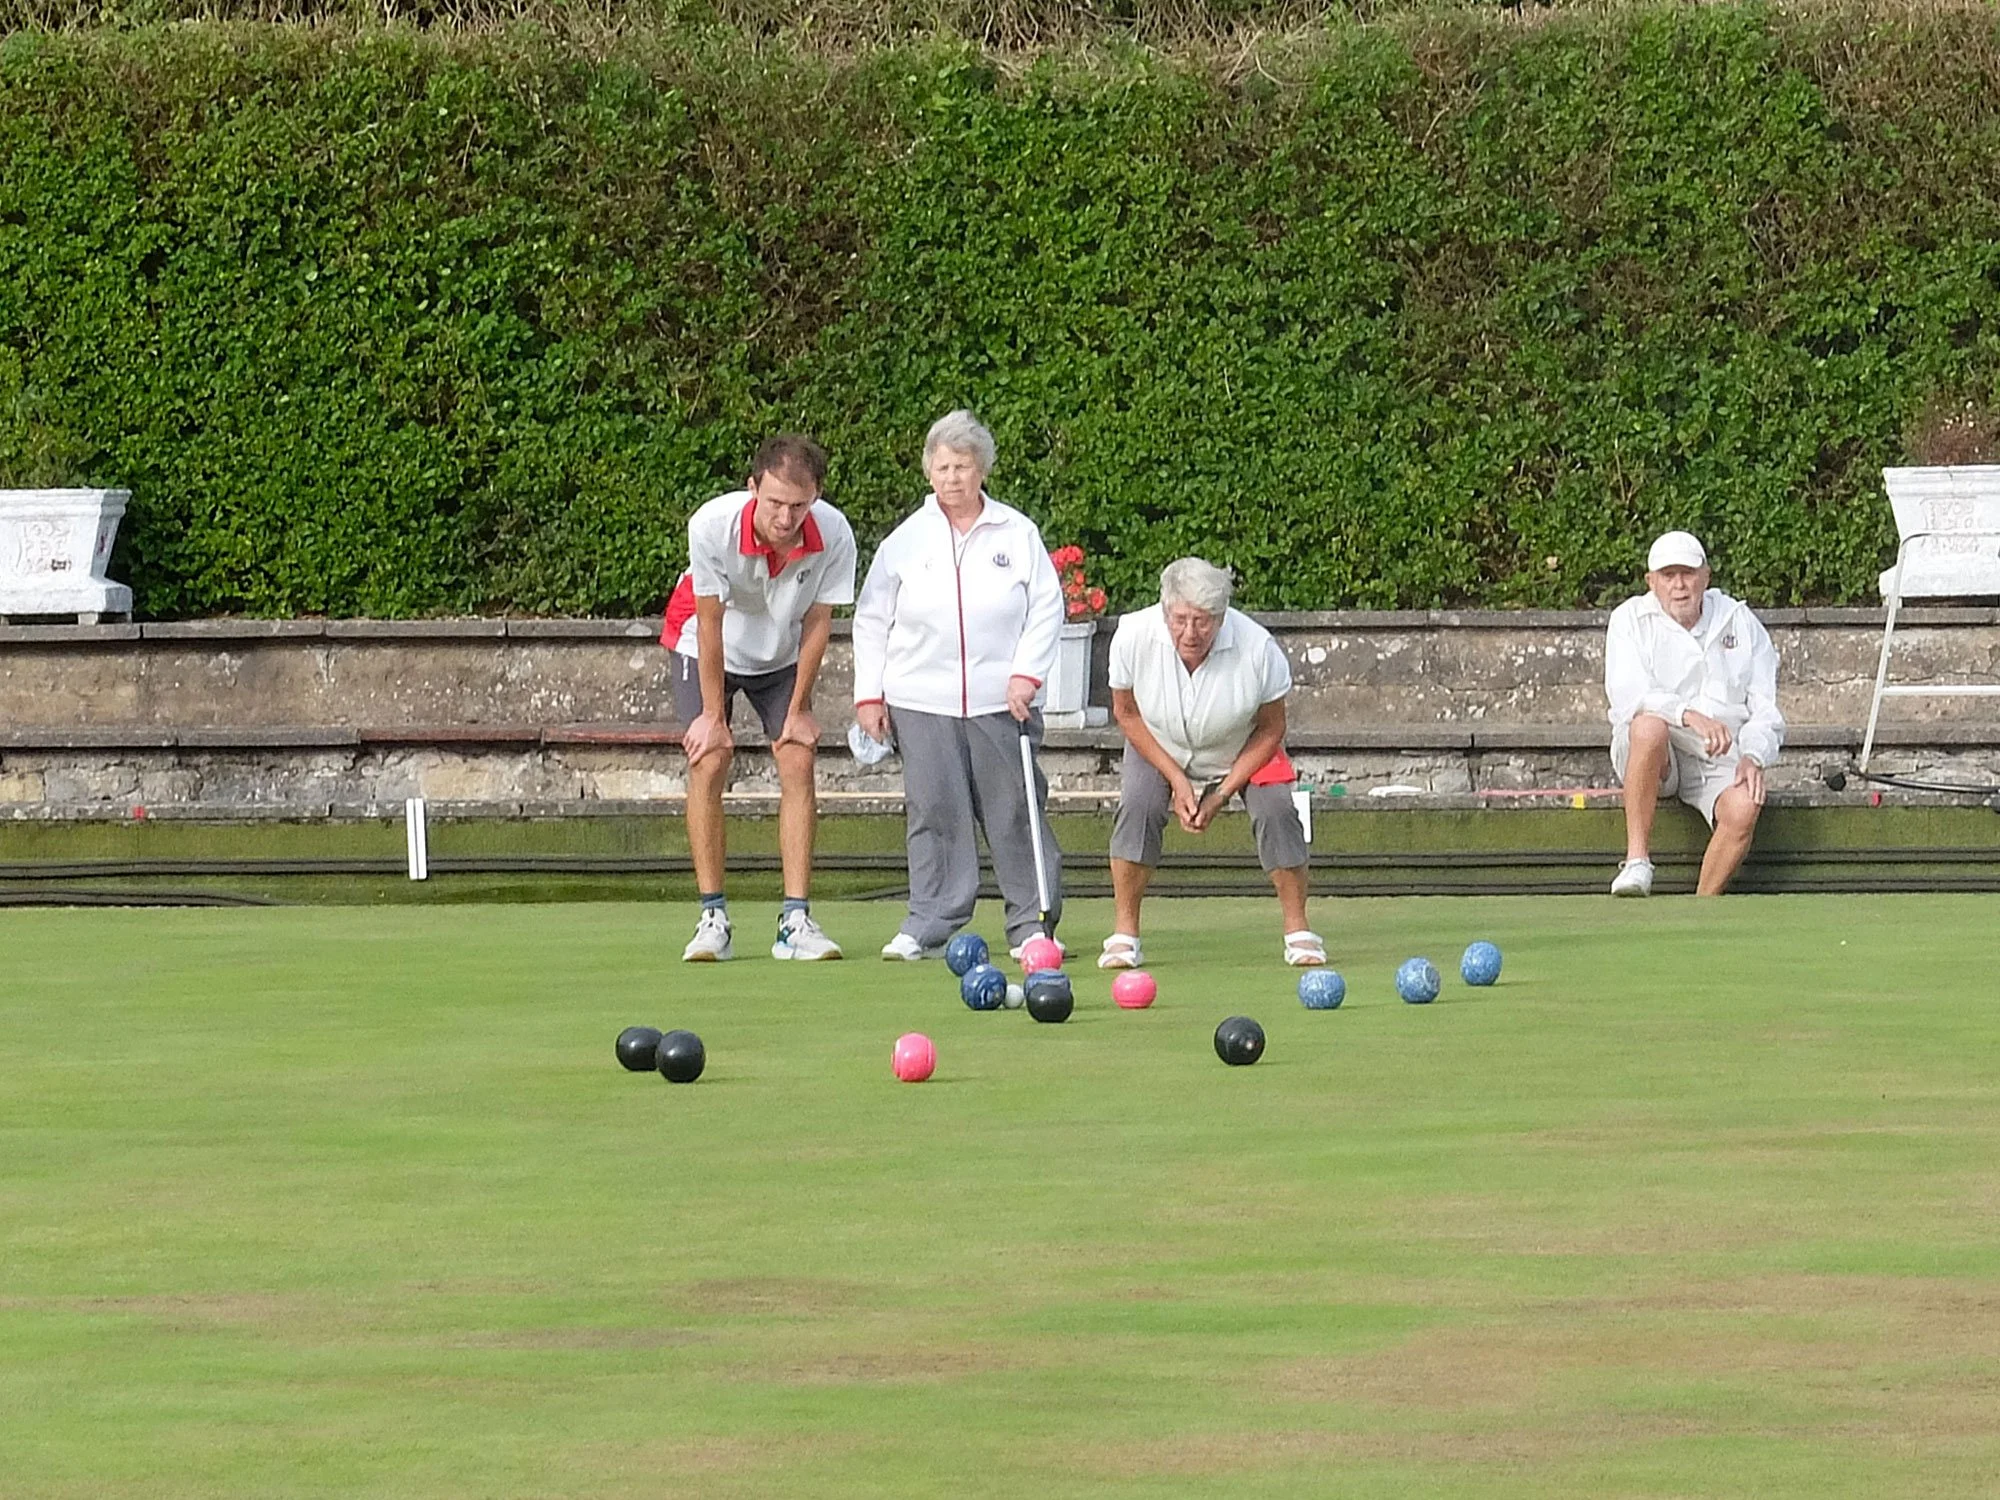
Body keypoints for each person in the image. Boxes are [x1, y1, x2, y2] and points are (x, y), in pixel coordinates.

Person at [852, 410, 1065, 961]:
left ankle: (1032, 925)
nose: (953, 477)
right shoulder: (905, 540)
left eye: (963, 466)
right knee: (933, 812)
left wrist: (1026, 674)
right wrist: (869, 695)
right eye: (943, 466)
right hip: (920, 702)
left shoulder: (1018, 534)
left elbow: (1046, 608)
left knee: (1015, 810)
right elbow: (872, 619)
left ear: (982, 470)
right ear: (928, 472)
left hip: (1003, 702)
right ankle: (930, 918)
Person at [663, 434, 857, 960]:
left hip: (781, 650)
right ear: (753, 488)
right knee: (711, 757)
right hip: (706, 644)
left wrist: (797, 712)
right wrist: (711, 716)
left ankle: (795, 921)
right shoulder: (710, 526)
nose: (785, 516)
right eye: (774, 502)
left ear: (815, 496)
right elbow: (709, 622)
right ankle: (712, 918)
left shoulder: (835, 533)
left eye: (799, 505)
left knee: (798, 757)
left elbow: (819, 624)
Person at [1098, 557, 1324, 969]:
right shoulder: (1132, 636)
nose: (1190, 633)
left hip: (1241, 744)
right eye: (1181, 619)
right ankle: (1124, 934)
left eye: (1203, 621)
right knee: (1137, 806)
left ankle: (1299, 931)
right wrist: (1176, 780)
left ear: (1221, 617)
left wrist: (1220, 793)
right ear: (1166, 611)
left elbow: (1272, 728)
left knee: (1277, 811)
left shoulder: (1257, 647)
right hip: (1158, 742)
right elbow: (1126, 712)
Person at [1605, 530, 1784, 897]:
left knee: (1745, 803)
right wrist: (1688, 715)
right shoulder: (1629, 620)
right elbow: (1629, 697)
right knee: (1648, 726)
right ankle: (1637, 860)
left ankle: (1702, 906)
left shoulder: (1741, 620)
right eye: (1668, 576)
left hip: (1719, 757)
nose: (1679, 586)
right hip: (1659, 755)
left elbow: (1765, 706)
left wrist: (1753, 756)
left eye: (1687, 574)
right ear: (1651, 582)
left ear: (1706, 576)